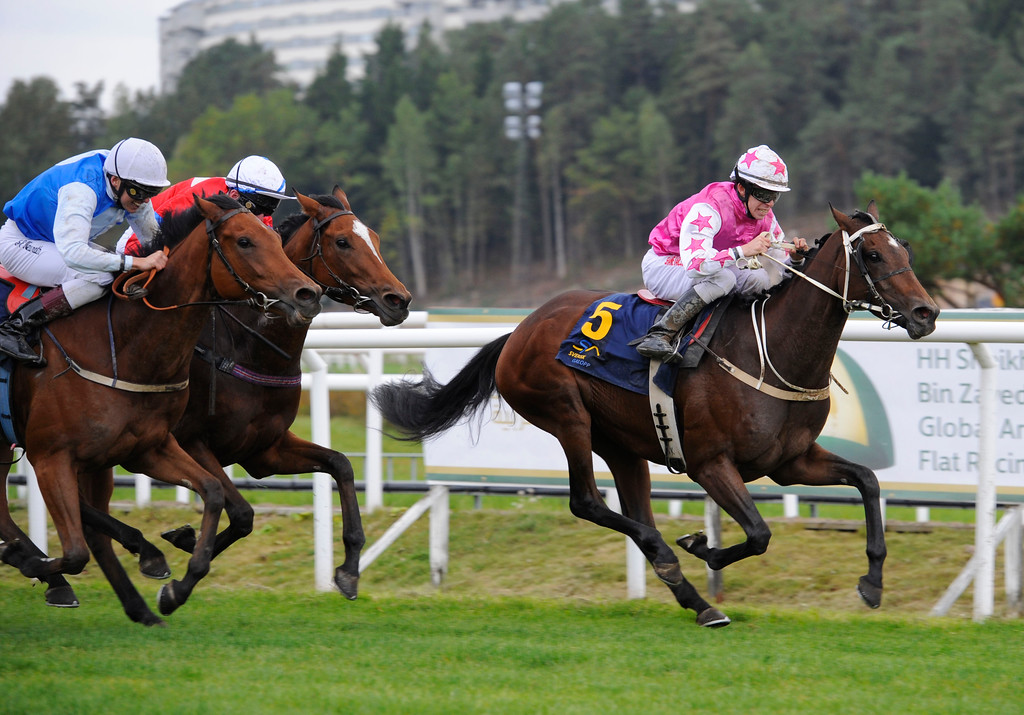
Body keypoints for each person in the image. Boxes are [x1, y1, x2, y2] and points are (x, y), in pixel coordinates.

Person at [0, 137, 171, 365]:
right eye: (138, 192)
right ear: (115, 180)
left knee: (118, 271)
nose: (144, 200)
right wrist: (135, 262)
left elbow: (155, 241)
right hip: (20, 243)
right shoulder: (82, 190)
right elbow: (74, 253)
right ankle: (14, 328)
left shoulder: (127, 181)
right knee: (102, 276)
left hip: (56, 242)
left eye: (152, 192)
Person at [634, 144, 809, 360]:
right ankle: (660, 334)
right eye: (764, 194)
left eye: (775, 196)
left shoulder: (764, 217)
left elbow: (785, 270)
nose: (770, 203)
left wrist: (796, 259)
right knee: (724, 278)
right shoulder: (710, 206)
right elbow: (695, 266)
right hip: (665, 263)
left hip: (710, 267)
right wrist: (742, 251)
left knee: (759, 278)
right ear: (742, 188)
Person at [117, 155, 293, 257]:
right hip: (141, 233)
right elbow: (137, 243)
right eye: (258, 209)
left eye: (270, 210)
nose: (263, 218)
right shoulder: (198, 198)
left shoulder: (260, 214)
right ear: (234, 196)